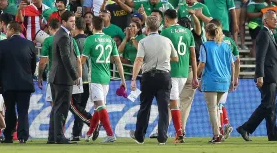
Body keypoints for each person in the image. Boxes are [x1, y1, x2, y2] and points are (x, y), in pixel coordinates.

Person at [237, 10, 277, 142]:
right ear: (265, 21)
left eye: (276, 18)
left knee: (271, 107)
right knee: (267, 105)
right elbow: (260, 58)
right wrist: (260, 76)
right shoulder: (263, 34)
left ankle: (273, 135)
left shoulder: (269, 34)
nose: (276, 20)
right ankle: (246, 128)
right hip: (267, 77)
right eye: (273, 18)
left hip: (273, 77)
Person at [130, 15, 178, 144]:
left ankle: (140, 136)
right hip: (164, 76)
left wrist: (134, 79)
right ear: (158, 27)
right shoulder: (166, 40)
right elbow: (175, 58)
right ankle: (162, 137)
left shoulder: (143, 42)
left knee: (145, 107)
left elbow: (139, 59)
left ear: (147, 27)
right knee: (163, 108)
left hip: (148, 77)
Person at [81, 16, 126, 143]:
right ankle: (89, 133)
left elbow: (82, 61)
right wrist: (122, 80)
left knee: (100, 105)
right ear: (103, 27)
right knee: (98, 106)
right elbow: (118, 62)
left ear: (92, 26)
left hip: (95, 77)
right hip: (107, 77)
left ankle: (110, 134)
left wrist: (75, 74)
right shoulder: (109, 40)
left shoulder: (90, 39)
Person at [0, 21, 36, 143]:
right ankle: (23, 137)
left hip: (8, 84)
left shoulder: (2, 45)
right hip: (25, 83)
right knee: (23, 111)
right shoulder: (29, 44)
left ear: (11, 29)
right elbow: (33, 65)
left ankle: (8, 136)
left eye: (6, 29)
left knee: (10, 110)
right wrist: (28, 76)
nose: (5, 31)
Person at [161, 9, 198, 143]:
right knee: (173, 103)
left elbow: (163, 53)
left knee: (174, 103)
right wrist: (195, 76)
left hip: (171, 72)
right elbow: (193, 56)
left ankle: (179, 133)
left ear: (166, 19)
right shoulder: (188, 32)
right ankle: (166, 132)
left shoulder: (165, 32)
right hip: (184, 72)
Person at [197, 22, 235, 143]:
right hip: (225, 81)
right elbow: (232, 64)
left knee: (212, 109)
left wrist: (196, 76)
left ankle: (217, 135)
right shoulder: (225, 46)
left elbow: (202, 64)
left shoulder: (205, 46)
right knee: (218, 107)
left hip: (211, 80)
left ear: (207, 33)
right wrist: (232, 80)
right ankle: (219, 133)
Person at [47, 11, 80, 144]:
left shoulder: (59, 34)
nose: (74, 23)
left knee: (56, 107)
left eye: (74, 21)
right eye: (71, 21)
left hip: (56, 76)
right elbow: (66, 58)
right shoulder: (64, 37)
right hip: (63, 78)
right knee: (62, 108)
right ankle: (59, 136)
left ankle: (52, 137)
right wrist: (74, 75)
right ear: (64, 22)